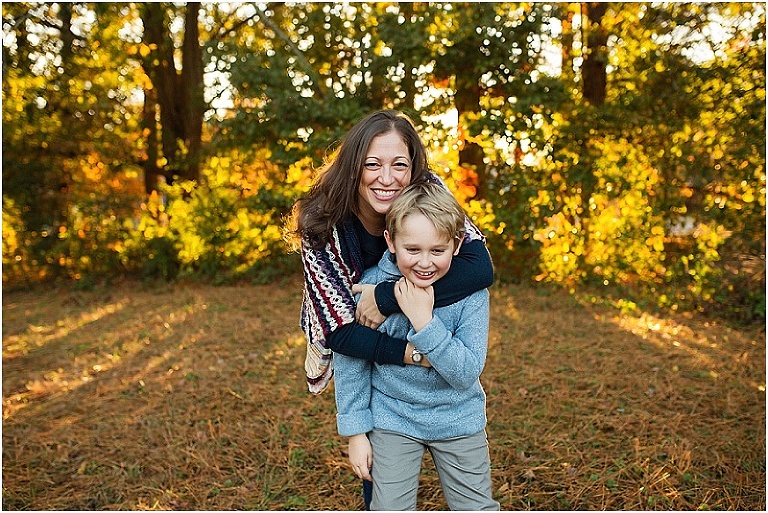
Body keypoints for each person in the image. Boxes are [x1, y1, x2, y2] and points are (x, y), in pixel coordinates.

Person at [287, 110, 494, 395]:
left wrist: (385, 298)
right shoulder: (321, 223)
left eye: (399, 165)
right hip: (365, 332)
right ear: (353, 166)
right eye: (372, 164)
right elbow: (339, 330)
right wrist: (416, 356)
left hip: (409, 318)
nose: (387, 179)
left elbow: (479, 266)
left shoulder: (427, 190)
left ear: (413, 168)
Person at [334, 182, 499, 511]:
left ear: (455, 245)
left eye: (437, 250)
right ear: (390, 242)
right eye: (413, 250)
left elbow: (465, 373)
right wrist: (356, 433)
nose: (425, 263)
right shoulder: (369, 290)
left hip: (458, 419)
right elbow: (352, 362)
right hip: (392, 419)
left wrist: (424, 321)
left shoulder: (472, 295)